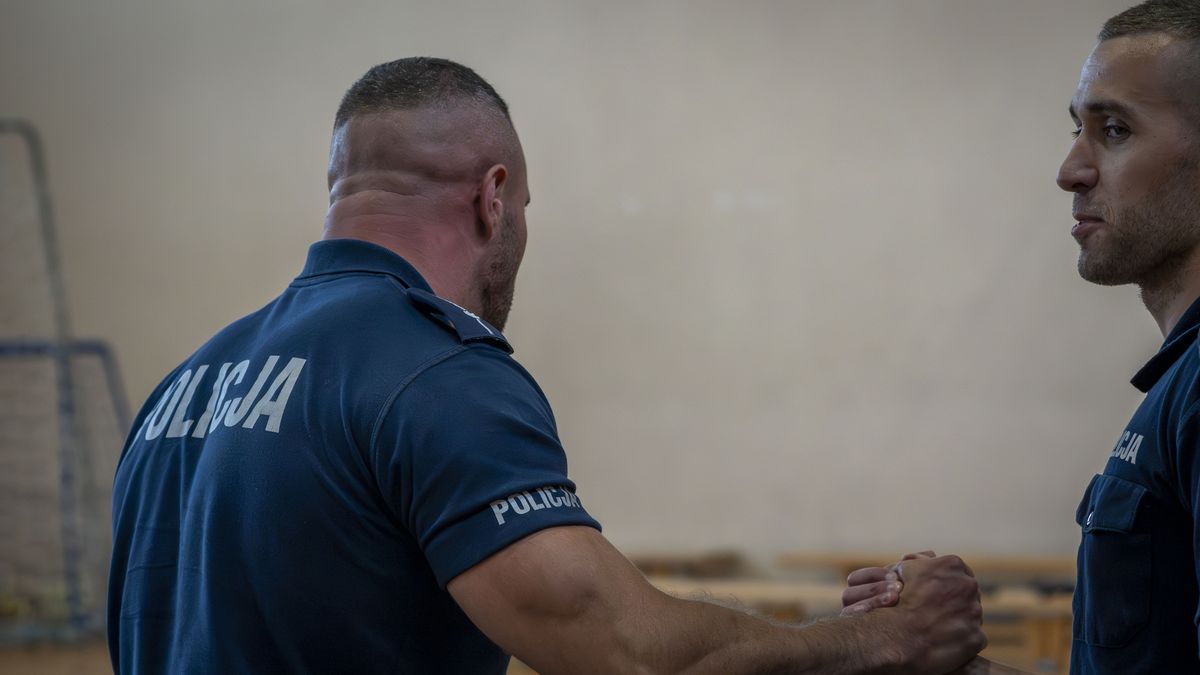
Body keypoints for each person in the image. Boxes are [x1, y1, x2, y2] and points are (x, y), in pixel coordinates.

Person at [107, 57, 986, 674]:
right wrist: (886, 641)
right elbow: (627, 652)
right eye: (524, 205)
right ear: (493, 198)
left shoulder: (180, 388)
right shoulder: (436, 372)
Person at [843, 1, 1200, 673]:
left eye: (1115, 130)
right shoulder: (1178, 382)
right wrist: (938, 660)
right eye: (1077, 129)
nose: (1070, 170)